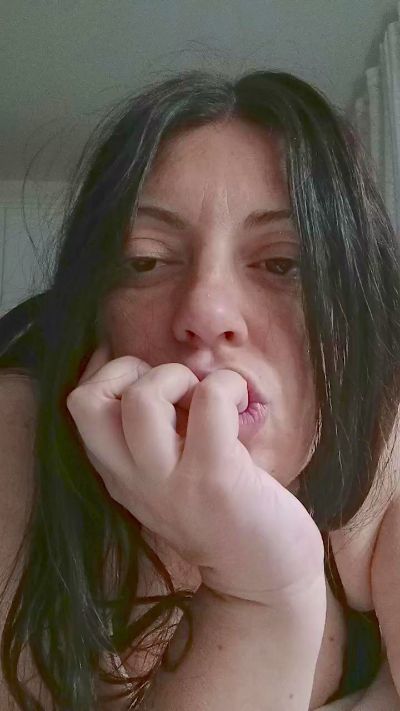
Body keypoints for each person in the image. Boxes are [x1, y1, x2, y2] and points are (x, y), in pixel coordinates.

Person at [0, 69, 399, 710]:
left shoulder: (383, 446)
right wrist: (260, 589)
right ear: (95, 313)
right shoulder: (16, 436)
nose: (206, 311)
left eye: (283, 264)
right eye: (145, 260)